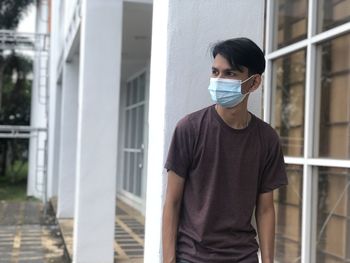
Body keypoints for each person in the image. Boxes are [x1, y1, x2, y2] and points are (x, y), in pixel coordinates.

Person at [162, 37, 288, 263]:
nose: (219, 80)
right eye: (215, 72)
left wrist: (267, 260)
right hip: (192, 256)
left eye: (230, 74)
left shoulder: (267, 138)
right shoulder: (189, 129)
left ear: (254, 82)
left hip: (243, 256)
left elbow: (266, 209)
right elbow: (172, 201)